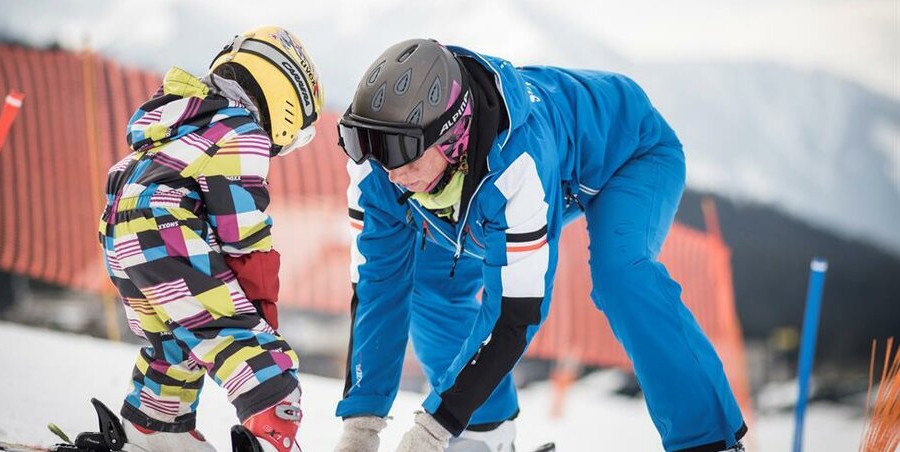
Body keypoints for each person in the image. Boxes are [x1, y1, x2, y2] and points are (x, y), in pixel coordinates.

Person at [334, 39, 747, 452]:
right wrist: (360, 430)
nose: (392, 172)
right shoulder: (378, 168)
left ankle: (709, 441)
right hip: (504, 182)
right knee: (428, 281)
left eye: (403, 151)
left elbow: (515, 312)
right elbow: (378, 291)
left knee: (620, 274)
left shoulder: (518, 161)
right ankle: (485, 430)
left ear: (450, 134)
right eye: (376, 147)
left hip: (631, 153)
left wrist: (434, 429)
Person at [98, 26, 322, 452]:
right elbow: (241, 226)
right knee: (245, 341)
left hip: (120, 236)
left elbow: (126, 181)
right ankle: (273, 429)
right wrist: (259, 304)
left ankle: (158, 429)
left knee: (179, 337)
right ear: (288, 101)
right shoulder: (242, 129)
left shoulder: (179, 119)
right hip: (164, 229)